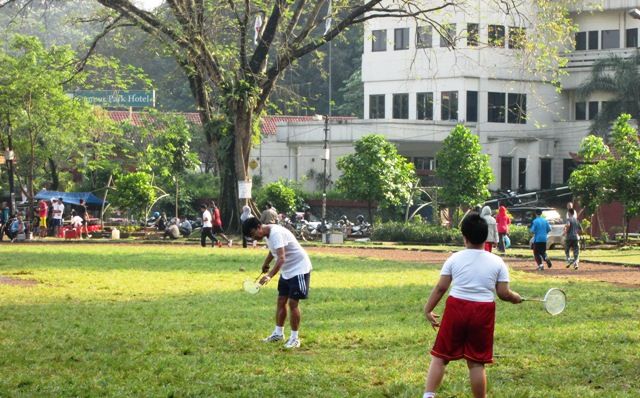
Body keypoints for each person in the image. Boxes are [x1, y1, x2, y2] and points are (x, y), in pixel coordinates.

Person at [423, 212, 522, 398]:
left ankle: (429, 395)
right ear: (486, 237)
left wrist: (428, 309)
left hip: (456, 308)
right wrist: (515, 297)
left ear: (464, 237)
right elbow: (503, 293)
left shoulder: (454, 258)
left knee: (440, 357)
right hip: (483, 311)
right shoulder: (497, 262)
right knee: (476, 362)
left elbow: (440, 288)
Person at [242, 217, 313, 349]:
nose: (253, 238)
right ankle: (278, 334)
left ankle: (294, 338)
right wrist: (266, 263)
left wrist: (269, 276)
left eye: (253, 234)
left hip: (299, 269)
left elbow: (281, 257)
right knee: (281, 301)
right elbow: (273, 250)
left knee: (293, 303)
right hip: (287, 271)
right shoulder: (267, 234)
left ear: (259, 227)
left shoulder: (275, 233)